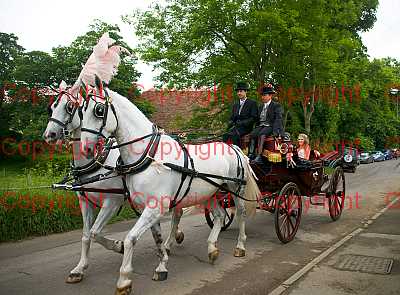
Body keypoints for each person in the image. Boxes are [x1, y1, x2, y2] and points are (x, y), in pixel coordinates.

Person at [249, 84, 284, 163]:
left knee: (262, 134)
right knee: (253, 134)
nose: (262, 97)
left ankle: (259, 156)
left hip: (270, 125)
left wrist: (275, 132)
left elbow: (278, 119)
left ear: (270, 96)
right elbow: (258, 119)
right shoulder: (261, 106)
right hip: (261, 125)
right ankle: (251, 154)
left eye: (264, 95)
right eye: (262, 95)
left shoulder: (276, 105)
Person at [222, 81, 258, 147]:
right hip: (236, 126)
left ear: (246, 91)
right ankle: (227, 153)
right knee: (225, 135)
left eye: (241, 91)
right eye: (238, 91)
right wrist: (230, 122)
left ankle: (238, 153)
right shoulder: (235, 104)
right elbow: (232, 117)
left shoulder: (252, 103)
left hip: (246, 127)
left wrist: (243, 123)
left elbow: (254, 118)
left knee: (233, 135)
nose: (239, 93)